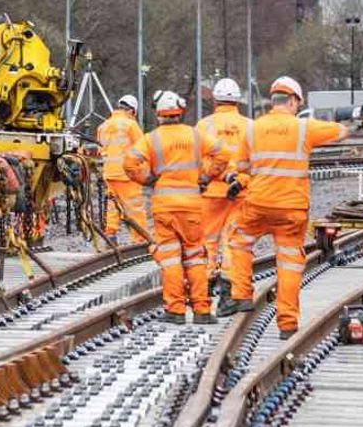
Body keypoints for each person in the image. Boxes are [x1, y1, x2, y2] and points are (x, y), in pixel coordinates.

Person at [218, 76, 350, 334]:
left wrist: (237, 180)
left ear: (274, 99)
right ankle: (287, 324)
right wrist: (350, 124)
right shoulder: (303, 128)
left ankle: (242, 294)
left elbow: (240, 168)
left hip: (257, 205)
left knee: (239, 241)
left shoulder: (253, 129)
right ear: (292, 101)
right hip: (291, 211)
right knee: (289, 262)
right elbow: (339, 132)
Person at [124, 91, 216, 323]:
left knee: (171, 258)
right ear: (179, 112)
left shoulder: (151, 138)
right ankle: (202, 311)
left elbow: (129, 162)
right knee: (195, 257)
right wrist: (205, 177)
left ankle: (175, 311)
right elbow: (222, 154)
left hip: (164, 207)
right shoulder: (195, 136)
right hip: (192, 207)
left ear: (159, 115)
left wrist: (147, 179)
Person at [197, 78, 253, 298]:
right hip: (239, 192)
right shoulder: (249, 126)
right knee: (232, 240)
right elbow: (255, 162)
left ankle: (206, 283)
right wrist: (239, 180)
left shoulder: (204, 125)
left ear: (215, 99)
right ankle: (230, 285)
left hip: (211, 192)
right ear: (237, 100)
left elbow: (197, 159)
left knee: (207, 239)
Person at [97, 95, 148, 241]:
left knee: (113, 206)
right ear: (132, 111)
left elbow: (101, 149)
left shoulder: (104, 126)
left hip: (109, 173)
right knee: (135, 208)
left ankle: (110, 235)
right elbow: (142, 149)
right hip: (127, 174)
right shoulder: (131, 125)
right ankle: (140, 239)